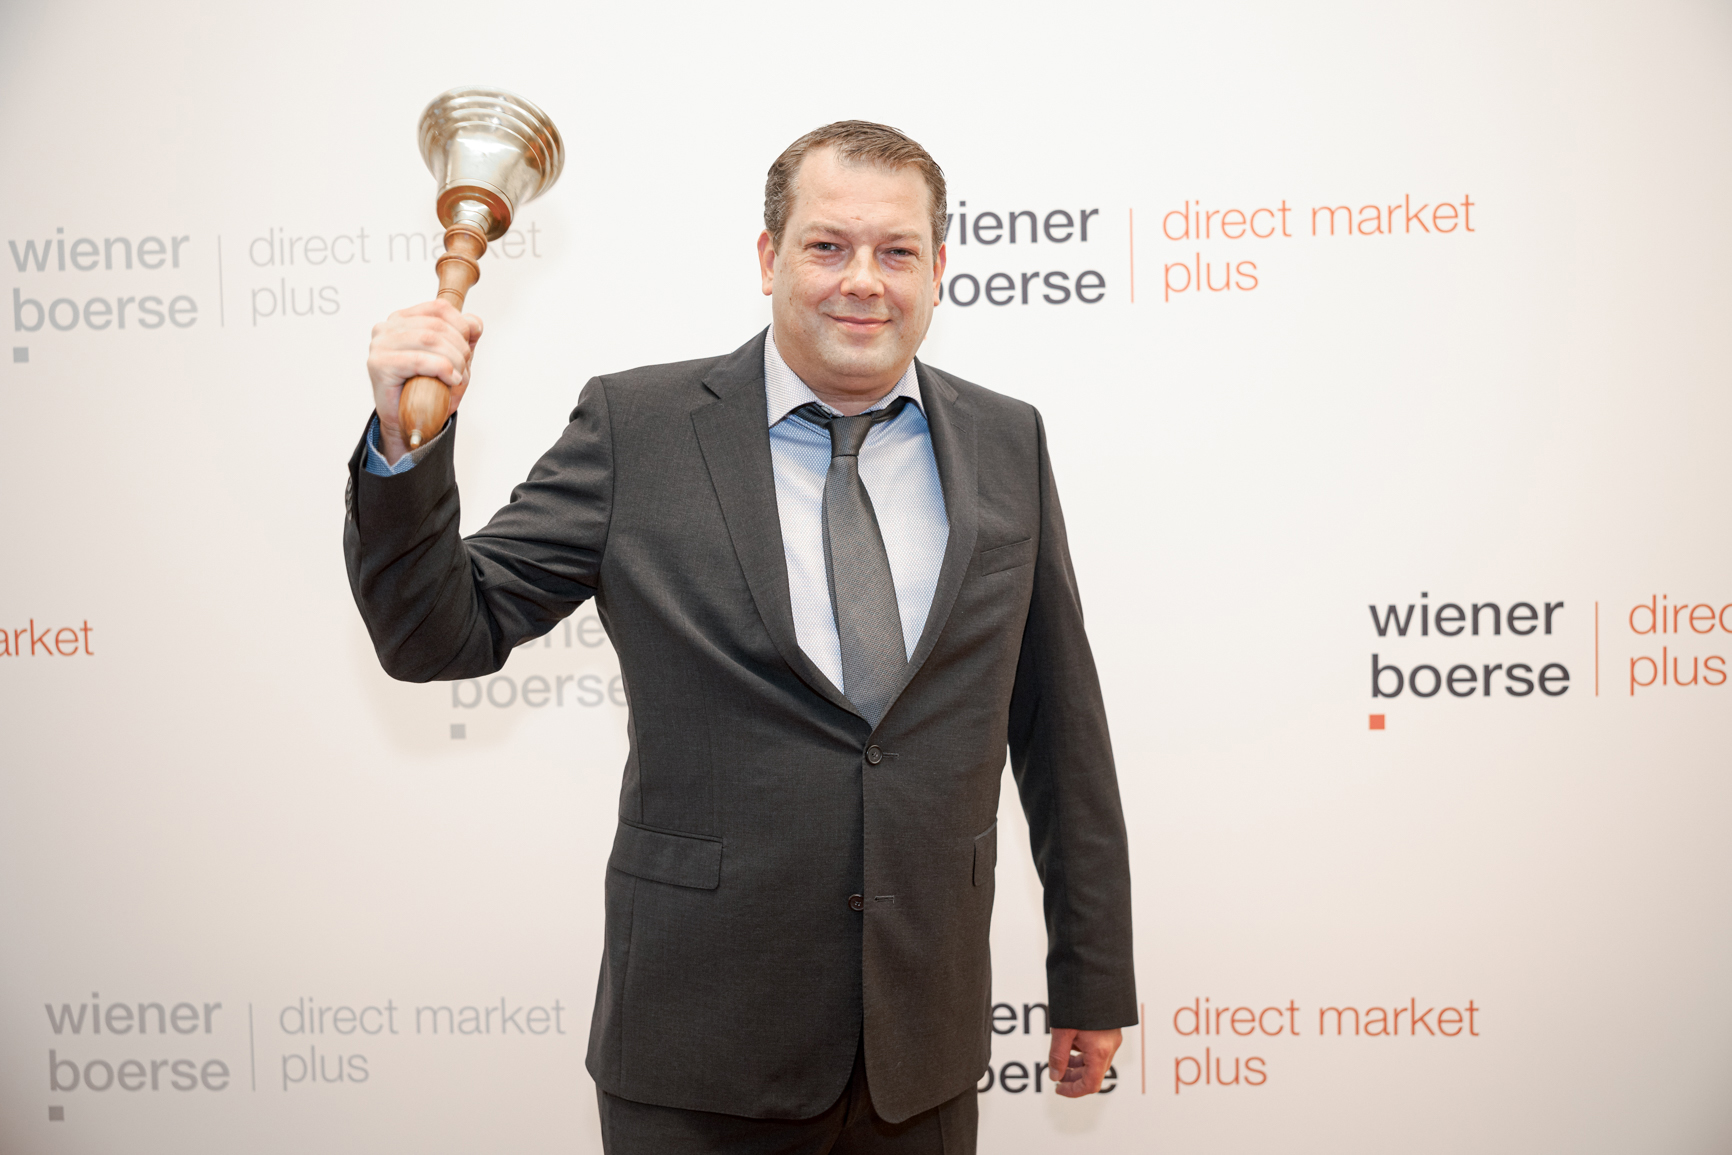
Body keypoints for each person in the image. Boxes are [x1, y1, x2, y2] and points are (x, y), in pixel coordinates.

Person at [345, 120, 1135, 1154]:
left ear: (938, 270)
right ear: (770, 259)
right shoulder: (638, 428)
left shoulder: (1006, 438)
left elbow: (1059, 725)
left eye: (897, 251)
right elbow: (436, 634)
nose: (863, 280)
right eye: (827, 246)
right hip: (697, 1051)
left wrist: (1091, 972)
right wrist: (405, 443)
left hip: (921, 1051)